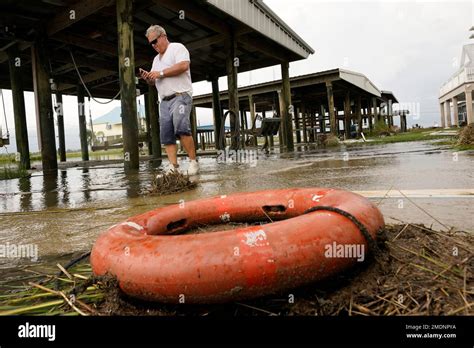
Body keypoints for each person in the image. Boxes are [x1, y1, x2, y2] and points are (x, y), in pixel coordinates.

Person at [140, 25, 199, 176]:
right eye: (151, 43)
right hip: (164, 101)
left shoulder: (177, 48)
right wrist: (149, 79)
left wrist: (159, 73)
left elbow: (184, 65)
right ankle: (174, 166)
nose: (153, 45)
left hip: (180, 96)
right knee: (166, 134)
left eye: (155, 41)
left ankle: (193, 162)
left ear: (163, 36)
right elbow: (155, 82)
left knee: (181, 127)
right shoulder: (155, 60)